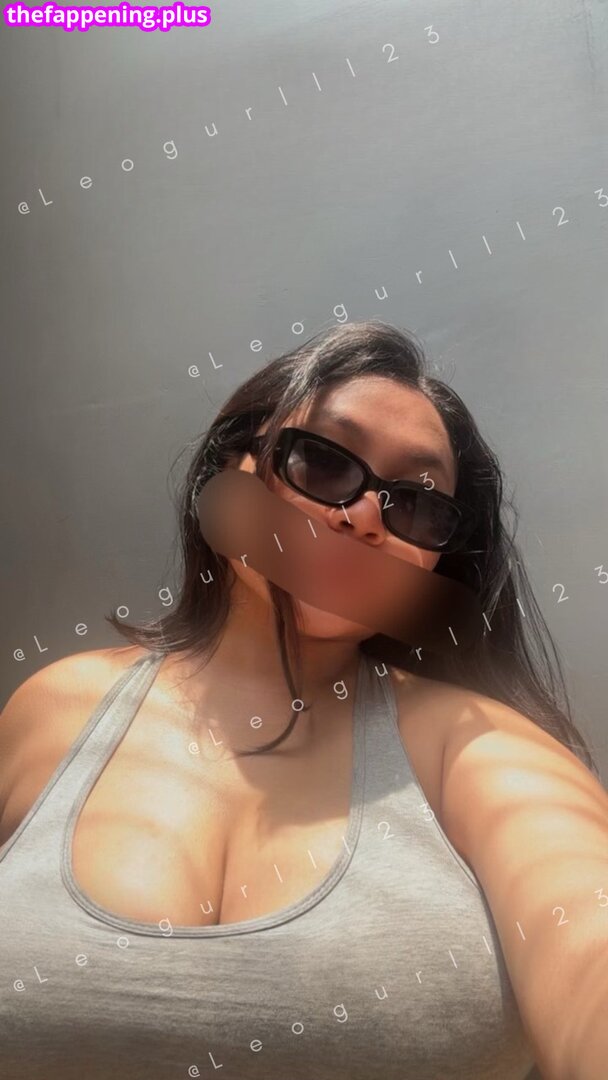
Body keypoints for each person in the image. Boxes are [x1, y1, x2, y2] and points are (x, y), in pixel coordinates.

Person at [0, 320, 604, 1080]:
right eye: (322, 461)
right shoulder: (55, 709)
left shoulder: (483, 750)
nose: (365, 519)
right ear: (229, 471)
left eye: (416, 506)